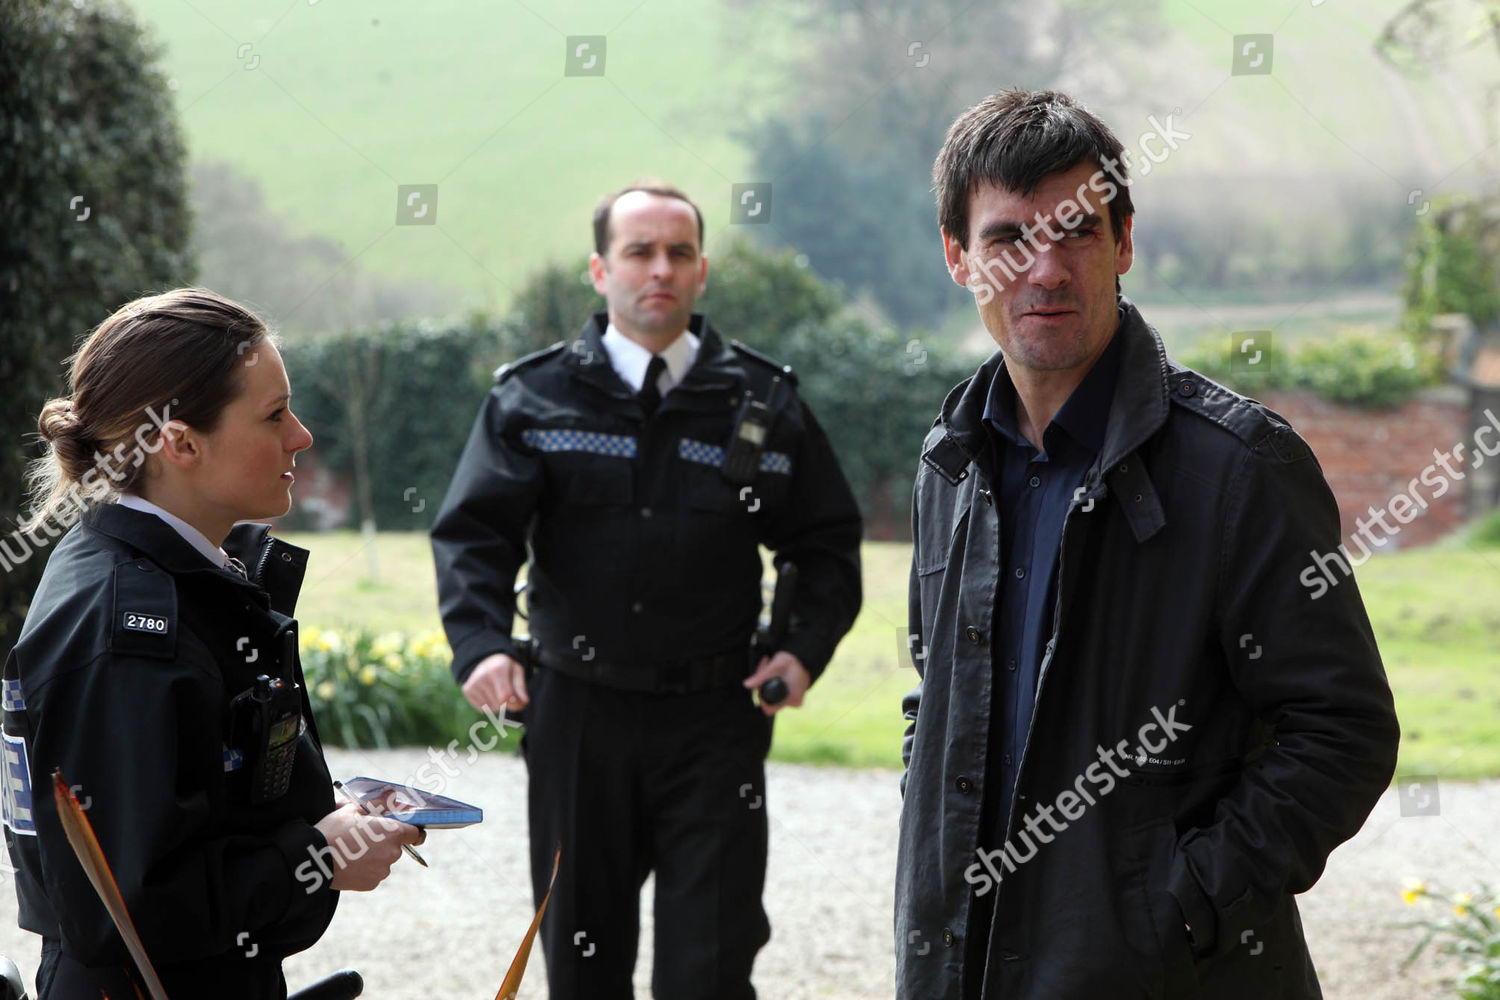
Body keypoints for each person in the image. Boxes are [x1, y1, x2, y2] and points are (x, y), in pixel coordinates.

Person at [894, 89, 1401, 999]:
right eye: (1010, 239)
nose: (1045, 270)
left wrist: (1174, 907)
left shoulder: (1241, 467)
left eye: (1077, 232)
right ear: (958, 259)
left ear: (1123, 244)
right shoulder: (949, 464)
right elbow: (935, 694)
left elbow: (1342, 731)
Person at [431, 180, 863, 999]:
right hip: (577, 718)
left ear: (702, 271)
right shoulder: (532, 396)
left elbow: (827, 545)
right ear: (600, 270)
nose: (659, 269)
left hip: (717, 722)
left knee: (711, 962)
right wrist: (481, 644)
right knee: (583, 961)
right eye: (639, 252)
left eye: (679, 253)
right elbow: (473, 535)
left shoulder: (764, 403)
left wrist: (802, 652)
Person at [1, 288, 423, 999]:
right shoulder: (126, 629)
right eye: (273, 414)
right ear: (181, 443)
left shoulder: (174, 573)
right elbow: (129, 909)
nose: (302, 436)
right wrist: (321, 853)